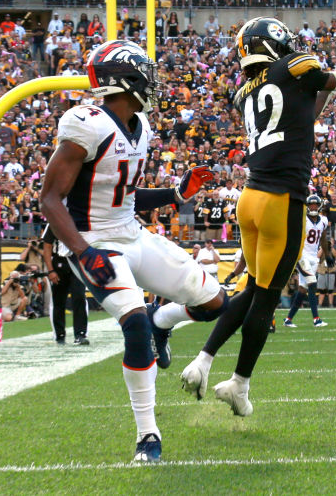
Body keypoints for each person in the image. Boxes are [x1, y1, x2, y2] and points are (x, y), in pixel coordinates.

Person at [39, 39, 227, 464]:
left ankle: (166, 321)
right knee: (134, 327)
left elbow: (122, 195)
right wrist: (82, 251)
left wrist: (174, 193)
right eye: (146, 73)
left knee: (216, 302)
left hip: (132, 234)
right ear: (126, 78)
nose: (153, 82)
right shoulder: (86, 123)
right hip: (96, 241)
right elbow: (50, 198)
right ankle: (148, 434)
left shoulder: (140, 127)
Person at [181, 17, 336, 416]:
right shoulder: (293, 65)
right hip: (281, 201)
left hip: (250, 200)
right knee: (267, 297)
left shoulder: (244, 92)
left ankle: (202, 361)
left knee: (253, 288)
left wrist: (330, 83)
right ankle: (239, 384)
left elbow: (302, 116)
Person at [283, 194, 330, 328]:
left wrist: (328, 255)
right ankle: (316, 319)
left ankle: (288, 319)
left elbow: (323, 238)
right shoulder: (302, 220)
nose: (313, 207)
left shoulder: (323, 221)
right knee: (312, 282)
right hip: (302, 255)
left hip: (314, 257)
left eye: (315, 205)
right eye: (311, 205)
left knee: (303, 289)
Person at [40, 224, 89, 345]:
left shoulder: (81, 219)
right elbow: (47, 247)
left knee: (79, 297)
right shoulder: (53, 221)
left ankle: (80, 334)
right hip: (59, 263)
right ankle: (59, 335)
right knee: (58, 301)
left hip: (77, 262)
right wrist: (50, 270)